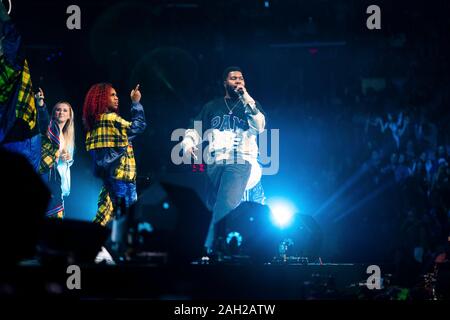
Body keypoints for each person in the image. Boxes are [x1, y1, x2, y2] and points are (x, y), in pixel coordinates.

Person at [181, 66, 266, 255]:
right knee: (213, 206)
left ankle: (212, 247)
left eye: (241, 78)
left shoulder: (251, 104)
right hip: (215, 162)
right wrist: (188, 144)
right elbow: (194, 128)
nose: (238, 81)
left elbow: (259, 126)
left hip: (240, 160)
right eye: (233, 78)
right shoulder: (212, 106)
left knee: (226, 203)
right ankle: (221, 249)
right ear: (224, 82)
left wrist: (246, 98)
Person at [83, 83, 146, 226]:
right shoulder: (111, 119)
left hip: (111, 179)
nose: (117, 98)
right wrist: (136, 103)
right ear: (101, 99)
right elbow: (139, 126)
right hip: (122, 180)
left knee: (106, 216)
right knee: (124, 221)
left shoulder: (94, 124)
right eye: (112, 95)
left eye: (116, 95)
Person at [0, 1, 41, 170]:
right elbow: (13, 41)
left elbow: (12, 41)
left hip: (19, 137)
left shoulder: (9, 63)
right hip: (20, 140)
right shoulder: (9, 66)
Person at [36, 88, 75, 218]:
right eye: (58, 109)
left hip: (58, 183)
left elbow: (65, 163)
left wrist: (68, 159)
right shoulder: (50, 127)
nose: (61, 112)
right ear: (53, 113)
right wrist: (41, 104)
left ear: (69, 115)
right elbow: (43, 121)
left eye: (65, 110)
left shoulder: (68, 138)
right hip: (46, 176)